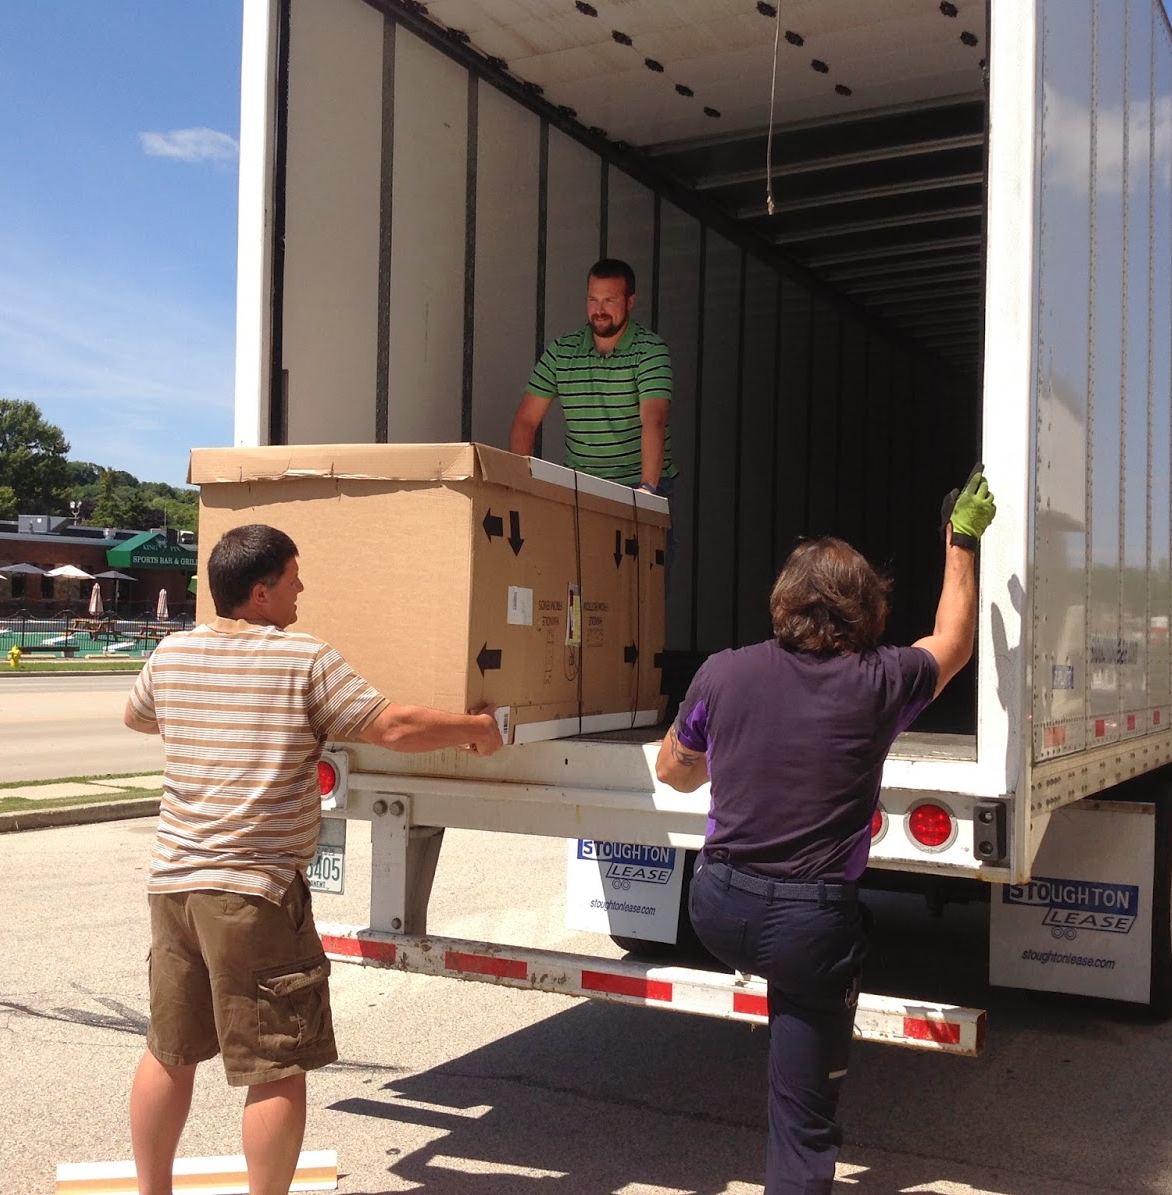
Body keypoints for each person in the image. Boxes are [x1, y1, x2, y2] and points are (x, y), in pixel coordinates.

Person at [122, 523, 504, 1195]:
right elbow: (392, 726)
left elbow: (138, 717)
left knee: (169, 1051)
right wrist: (477, 730)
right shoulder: (300, 658)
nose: (304, 590)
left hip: (172, 888)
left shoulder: (172, 655)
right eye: (295, 579)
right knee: (275, 1065)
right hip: (253, 893)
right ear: (262, 592)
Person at [654, 471, 996, 1194]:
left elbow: (675, 771)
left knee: (785, 963)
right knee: (803, 1109)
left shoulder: (724, 672)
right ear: (866, 609)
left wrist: (727, 744)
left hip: (717, 908)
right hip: (809, 923)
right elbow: (955, 640)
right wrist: (960, 541)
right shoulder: (881, 679)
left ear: (784, 600)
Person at [510, 258, 677, 499]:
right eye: (593, 299)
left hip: (636, 483)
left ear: (630, 302)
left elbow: (655, 420)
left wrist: (647, 490)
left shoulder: (651, 350)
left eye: (610, 300)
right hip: (580, 485)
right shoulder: (562, 351)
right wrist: (521, 481)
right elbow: (526, 421)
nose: (599, 310)